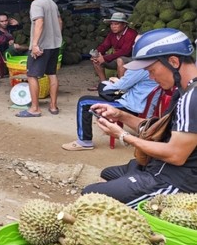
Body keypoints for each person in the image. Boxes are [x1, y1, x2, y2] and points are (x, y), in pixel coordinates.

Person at [84, 28, 197, 208]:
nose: (151, 77)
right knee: (109, 173)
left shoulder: (192, 98)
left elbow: (176, 155)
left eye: (151, 70)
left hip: (174, 182)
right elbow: (158, 129)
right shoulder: (183, 91)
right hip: (159, 167)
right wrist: (120, 114)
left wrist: (123, 136)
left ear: (174, 61)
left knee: (89, 196)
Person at [61, 67, 158, 151]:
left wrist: (107, 85)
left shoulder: (141, 68)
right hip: (139, 104)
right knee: (103, 92)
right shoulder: (155, 67)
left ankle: (84, 141)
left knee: (84, 101)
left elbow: (122, 85)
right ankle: (103, 118)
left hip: (131, 106)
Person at [14, 0, 63, 117]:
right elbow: (60, 21)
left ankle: (35, 109)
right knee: (52, 74)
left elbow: (39, 22)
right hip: (54, 45)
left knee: (31, 75)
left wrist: (35, 44)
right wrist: (56, 36)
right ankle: (53, 106)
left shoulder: (36, 4)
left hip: (41, 46)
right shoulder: (51, 3)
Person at [89, 11, 137, 89]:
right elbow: (104, 46)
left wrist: (105, 58)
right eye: (112, 24)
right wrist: (96, 53)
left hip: (131, 59)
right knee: (97, 60)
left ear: (124, 25)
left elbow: (125, 51)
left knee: (120, 60)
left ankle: (121, 87)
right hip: (117, 58)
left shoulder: (131, 34)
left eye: (116, 24)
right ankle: (103, 84)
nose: (113, 26)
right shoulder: (112, 34)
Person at [0, 13, 28, 78]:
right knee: (14, 46)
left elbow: (22, 28)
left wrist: (17, 23)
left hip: (15, 51)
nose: (4, 23)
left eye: (6, 21)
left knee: (29, 52)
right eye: (2, 21)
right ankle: (26, 47)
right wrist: (8, 40)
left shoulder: (9, 28)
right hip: (4, 54)